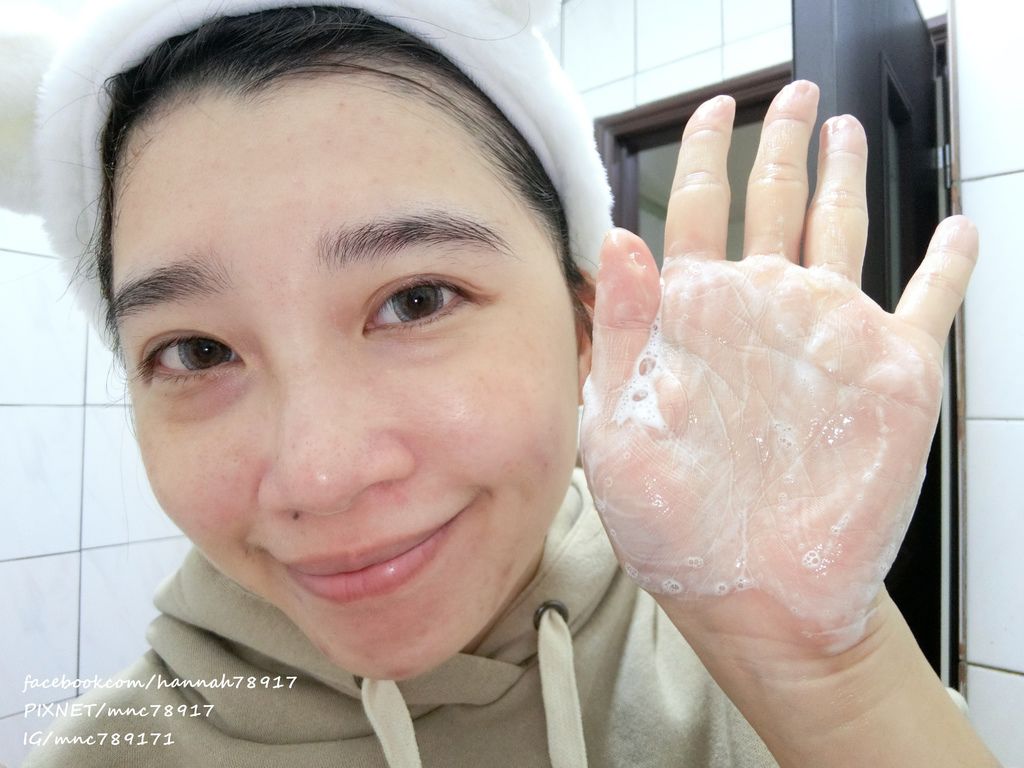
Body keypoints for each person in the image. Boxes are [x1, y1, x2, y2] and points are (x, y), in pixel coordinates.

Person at [8, 0, 999, 766]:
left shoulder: (742, 654)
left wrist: (830, 675)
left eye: (416, 300)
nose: (320, 476)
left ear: (583, 324)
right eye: (195, 351)